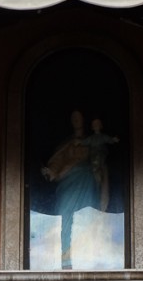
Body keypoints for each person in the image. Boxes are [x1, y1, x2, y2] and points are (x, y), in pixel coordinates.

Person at [41, 110, 97, 269]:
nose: (76, 120)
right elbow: (57, 161)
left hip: (85, 182)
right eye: (73, 118)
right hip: (67, 185)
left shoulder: (92, 141)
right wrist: (51, 172)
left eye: (79, 117)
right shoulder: (66, 144)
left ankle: (86, 261)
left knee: (85, 220)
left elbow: (99, 161)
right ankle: (66, 260)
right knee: (65, 220)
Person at [81, 118, 119, 212]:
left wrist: (113, 139)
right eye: (94, 124)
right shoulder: (92, 138)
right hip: (94, 158)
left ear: (101, 126)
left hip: (101, 156)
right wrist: (80, 142)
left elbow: (108, 139)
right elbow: (85, 141)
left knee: (100, 170)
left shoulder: (102, 137)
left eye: (97, 124)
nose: (96, 126)